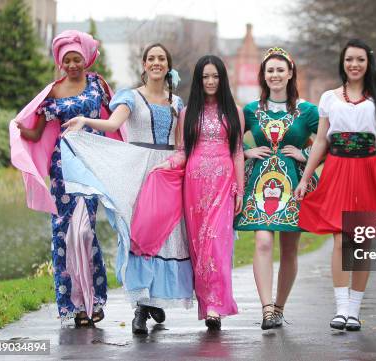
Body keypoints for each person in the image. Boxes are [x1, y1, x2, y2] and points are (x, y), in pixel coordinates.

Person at [61, 43, 194, 334]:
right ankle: (140, 307)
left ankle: (154, 300)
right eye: (151, 59)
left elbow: (182, 142)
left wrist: (178, 163)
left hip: (168, 171)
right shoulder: (130, 97)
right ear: (144, 65)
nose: (156, 63)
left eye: (161, 58)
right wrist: (84, 121)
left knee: (167, 236)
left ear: (167, 64)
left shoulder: (177, 103)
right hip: (137, 168)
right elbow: (112, 124)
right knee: (140, 234)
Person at [293, 39, 376, 331]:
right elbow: (322, 140)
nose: (354, 65)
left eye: (360, 60)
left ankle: (354, 310)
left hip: (366, 170)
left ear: (368, 63)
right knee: (341, 238)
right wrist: (305, 178)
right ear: (343, 63)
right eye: (349, 59)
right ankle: (340, 308)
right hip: (337, 170)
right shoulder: (328, 98)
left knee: (362, 241)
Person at [11, 30, 122, 327]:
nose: (73, 65)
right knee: (64, 234)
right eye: (67, 60)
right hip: (62, 167)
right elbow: (35, 131)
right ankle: (74, 306)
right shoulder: (54, 92)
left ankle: (93, 299)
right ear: (61, 63)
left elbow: (115, 118)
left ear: (86, 58)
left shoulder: (98, 84)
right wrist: (18, 126)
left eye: (77, 59)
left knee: (85, 231)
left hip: (92, 163)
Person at [234, 47, 320, 329]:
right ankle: (267, 309)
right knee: (262, 241)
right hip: (259, 184)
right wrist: (246, 152)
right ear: (264, 75)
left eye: (280, 69)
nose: (275, 75)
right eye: (270, 70)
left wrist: (306, 156)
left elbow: (330, 141)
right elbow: (229, 140)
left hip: (295, 185)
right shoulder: (251, 110)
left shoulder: (307, 111)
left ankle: (280, 307)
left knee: (289, 249)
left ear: (290, 73)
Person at [157, 55, 244, 330]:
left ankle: (217, 306)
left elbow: (238, 151)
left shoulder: (234, 112)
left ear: (222, 79)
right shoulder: (187, 113)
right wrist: (165, 165)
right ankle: (207, 307)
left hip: (223, 183)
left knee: (217, 243)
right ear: (198, 80)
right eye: (205, 77)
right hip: (194, 186)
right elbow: (182, 151)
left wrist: (239, 188)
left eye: (215, 76)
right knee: (199, 247)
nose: (210, 81)